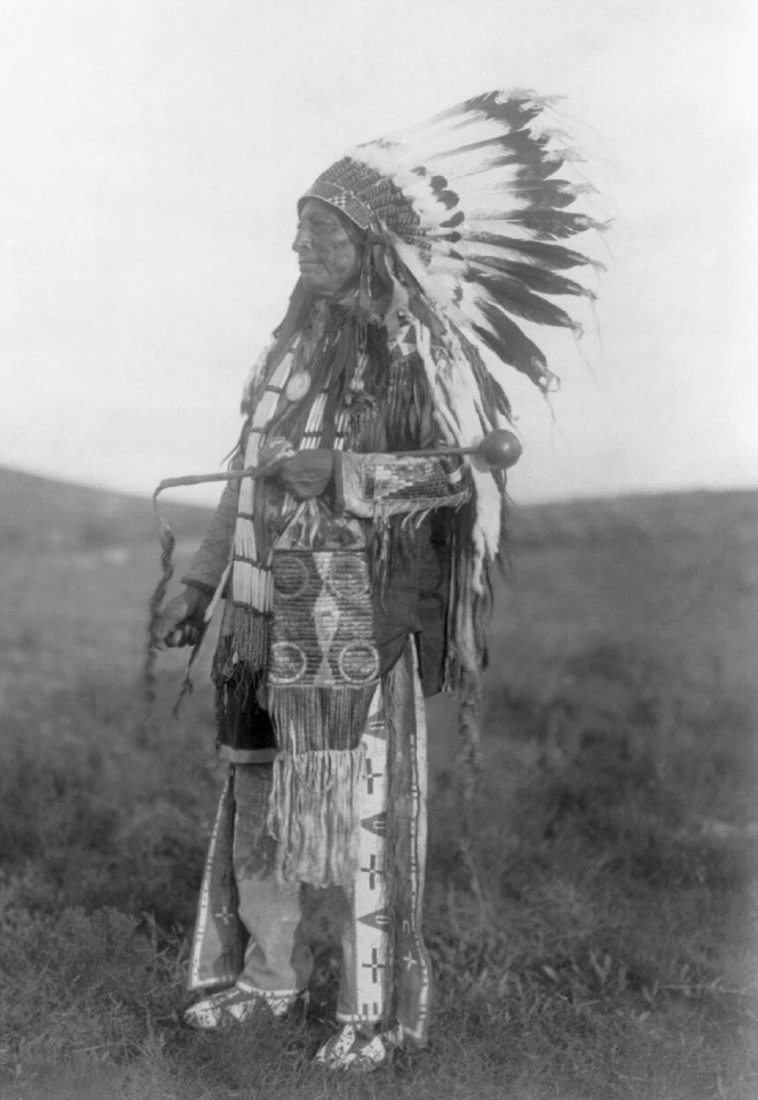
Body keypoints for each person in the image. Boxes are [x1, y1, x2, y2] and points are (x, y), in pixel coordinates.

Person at [153, 90, 601, 1072]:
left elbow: (467, 472)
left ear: (370, 244)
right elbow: (244, 473)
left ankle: (371, 1011)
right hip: (260, 620)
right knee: (258, 800)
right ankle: (268, 977)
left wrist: (348, 474)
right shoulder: (288, 349)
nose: (299, 248)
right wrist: (199, 581)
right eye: (298, 231)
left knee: (363, 813)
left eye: (320, 233)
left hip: (356, 621)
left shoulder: (416, 354)